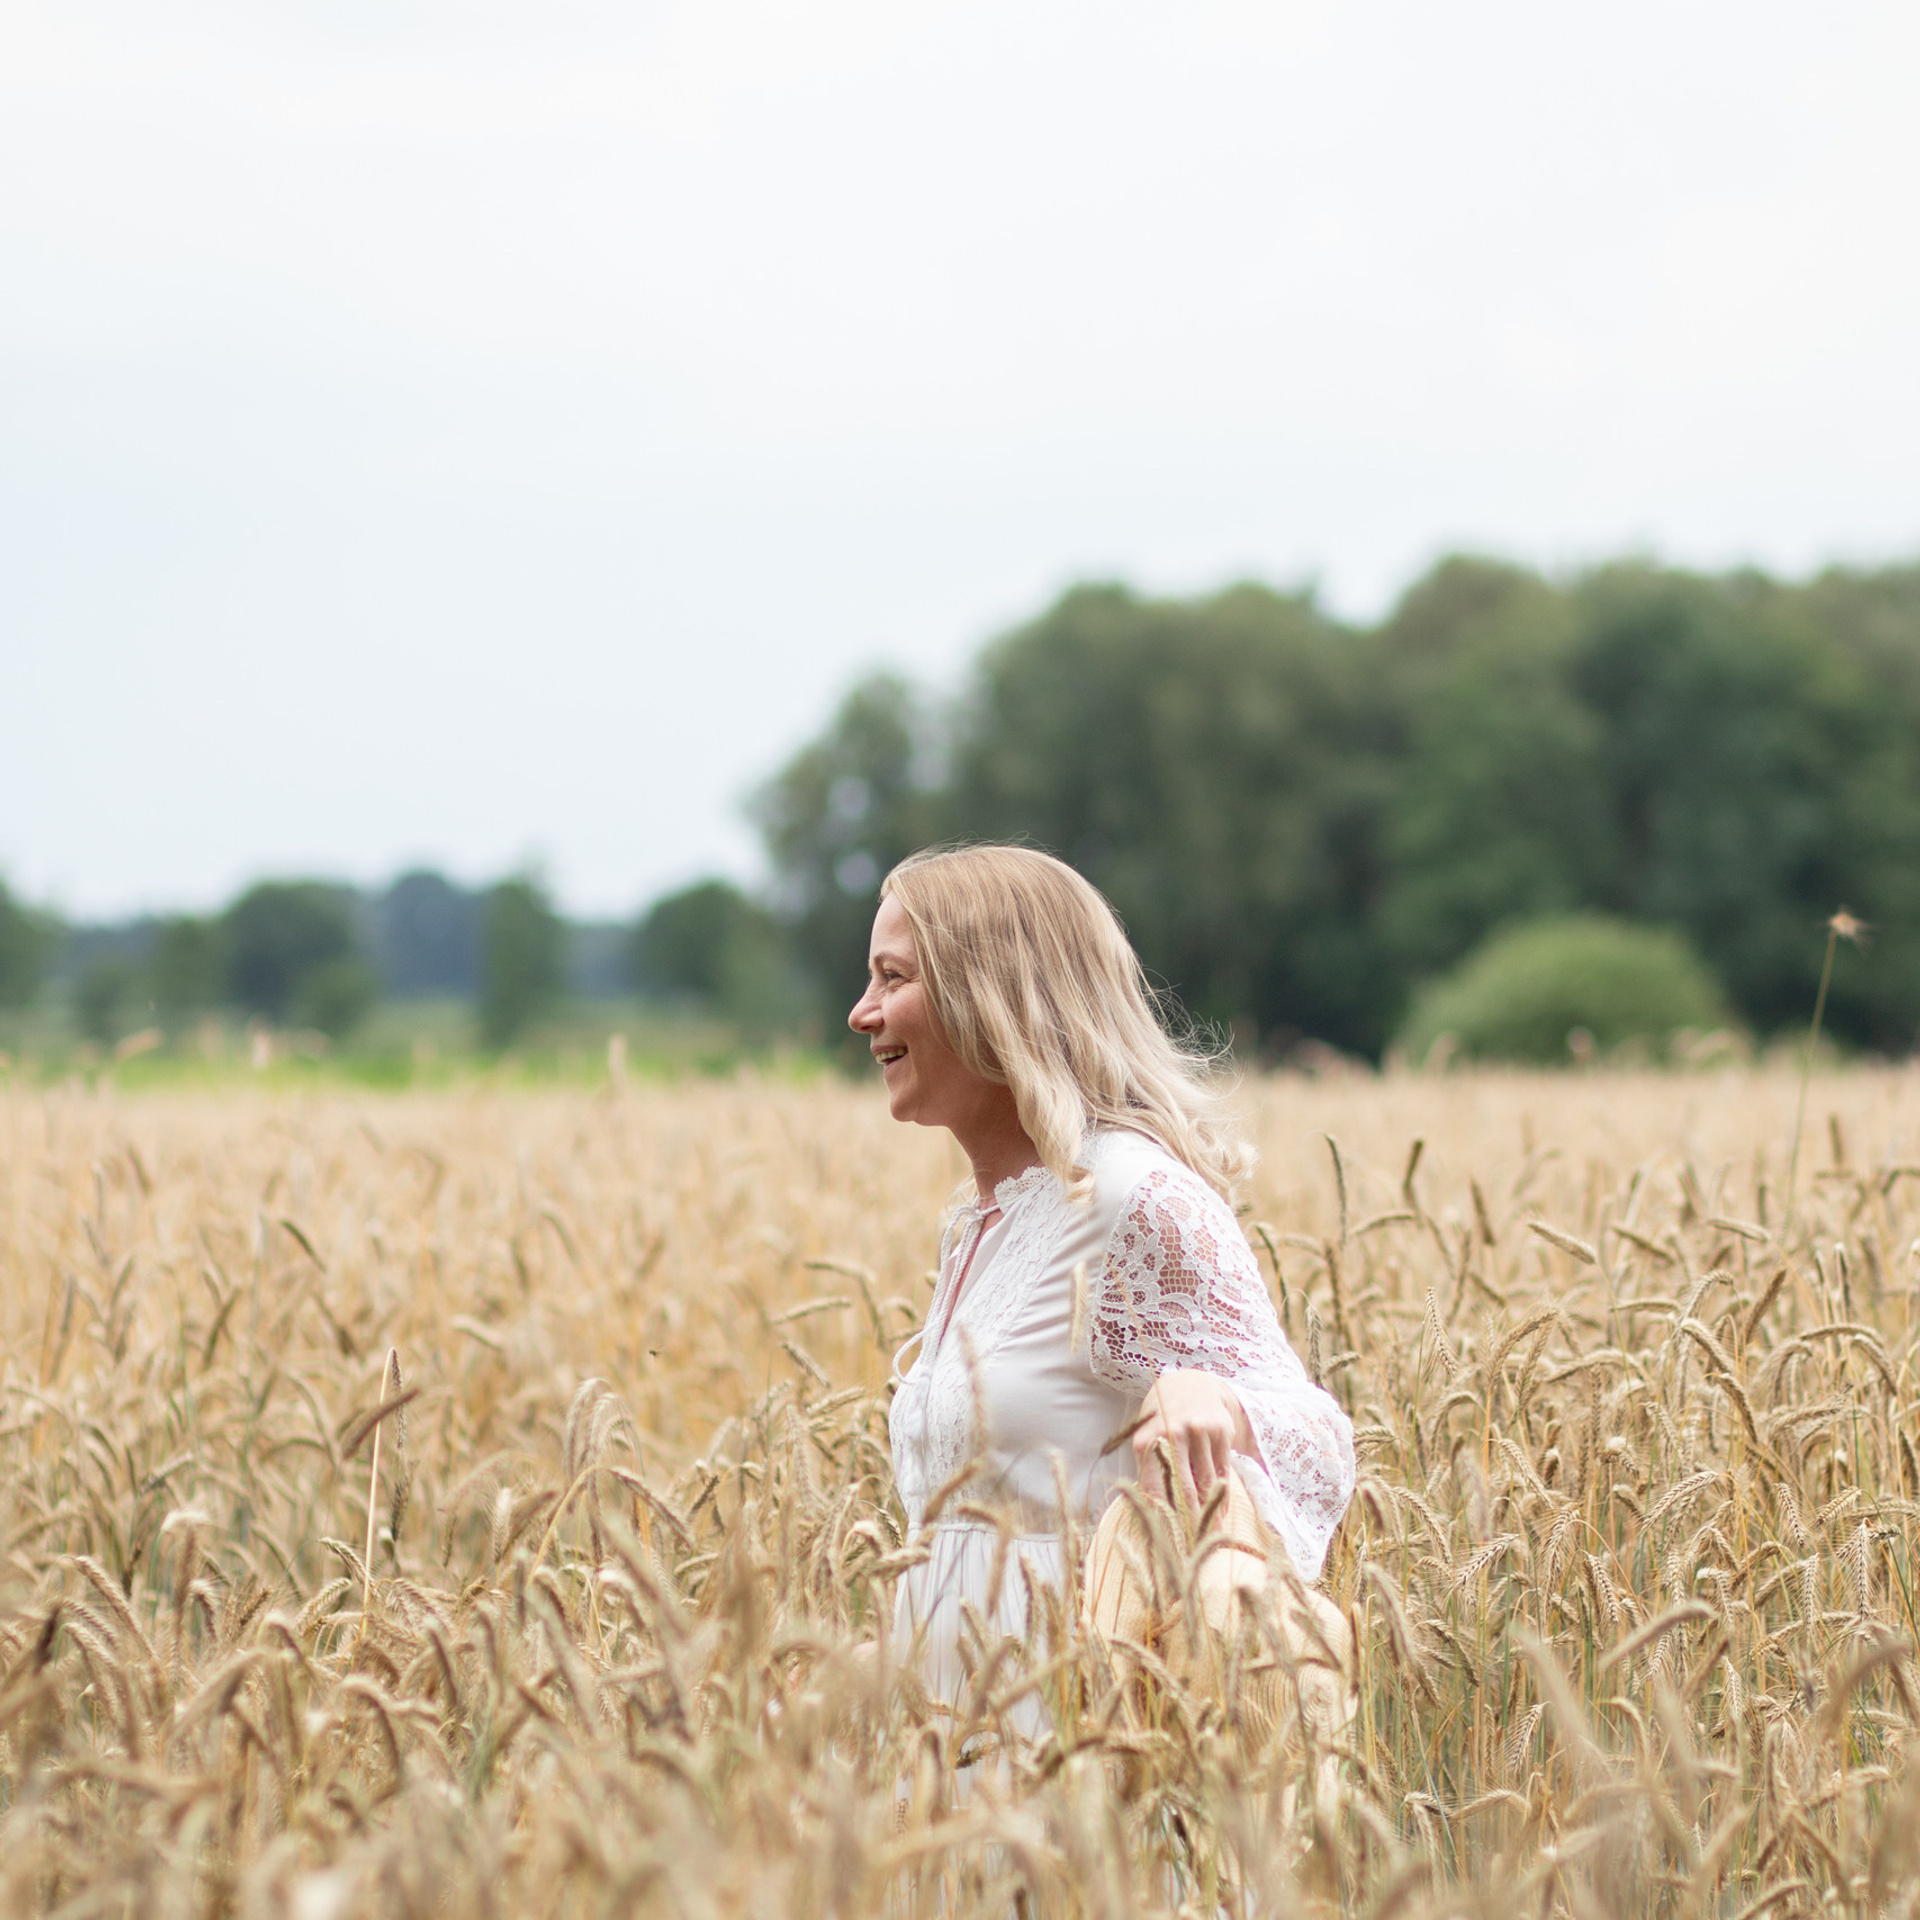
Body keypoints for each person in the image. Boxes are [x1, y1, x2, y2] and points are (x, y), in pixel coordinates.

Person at [847, 845, 1355, 1731]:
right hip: (950, 1755)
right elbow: (971, 1531)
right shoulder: (984, 1222)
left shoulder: (1127, 1196)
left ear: (992, 993)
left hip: (1087, 1756)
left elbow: (1318, 1435)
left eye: (892, 978)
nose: (862, 1014)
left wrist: (1222, 1401)